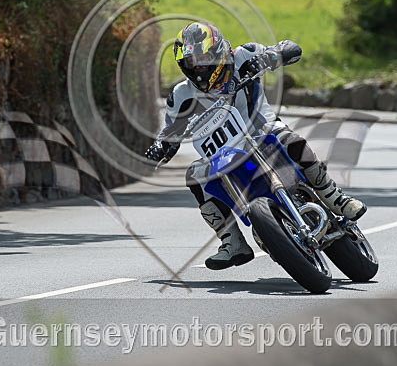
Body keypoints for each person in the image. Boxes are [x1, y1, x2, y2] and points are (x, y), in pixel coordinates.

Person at [144, 22, 367, 270]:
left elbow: (291, 48)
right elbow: (170, 132)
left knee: (290, 139)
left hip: (263, 130)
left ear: (217, 51)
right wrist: (160, 147)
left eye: (204, 58)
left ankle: (333, 196)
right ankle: (232, 242)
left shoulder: (243, 56)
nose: (198, 67)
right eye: (191, 62)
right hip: (223, 153)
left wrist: (268, 58)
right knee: (194, 176)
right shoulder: (181, 95)